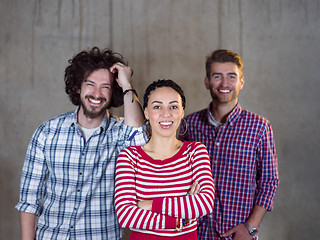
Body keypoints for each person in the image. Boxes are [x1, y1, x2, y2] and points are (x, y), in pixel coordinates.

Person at [15, 47, 148, 240]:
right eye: (90, 84)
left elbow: (140, 138)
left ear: (114, 92)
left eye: (106, 87)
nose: (97, 93)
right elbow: (29, 201)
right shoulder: (47, 132)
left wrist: (127, 84)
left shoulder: (121, 133)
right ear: (78, 87)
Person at [179, 49, 279, 240]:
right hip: (194, 233)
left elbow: (269, 182)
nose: (224, 83)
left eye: (231, 76)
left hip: (236, 235)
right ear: (207, 81)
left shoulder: (259, 127)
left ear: (241, 82)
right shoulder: (189, 125)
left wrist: (250, 227)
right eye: (217, 76)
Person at [114, 79, 215, 240]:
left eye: (173, 106)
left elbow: (205, 203)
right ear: (146, 112)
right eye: (157, 106)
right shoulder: (129, 157)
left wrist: (151, 204)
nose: (166, 114)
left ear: (182, 112)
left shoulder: (196, 151)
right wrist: (178, 219)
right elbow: (126, 215)